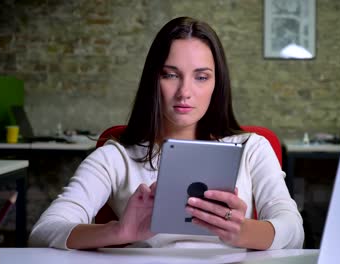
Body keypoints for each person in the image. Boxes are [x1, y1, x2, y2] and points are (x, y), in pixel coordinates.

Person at [29, 16, 304, 250]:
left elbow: (294, 232)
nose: (185, 92)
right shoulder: (116, 157)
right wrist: (119, 232)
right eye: (171, 74)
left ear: (216, 84)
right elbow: (42, 232)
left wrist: (241, 231)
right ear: (153, 80)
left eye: (201, 76)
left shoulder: (252, 149)